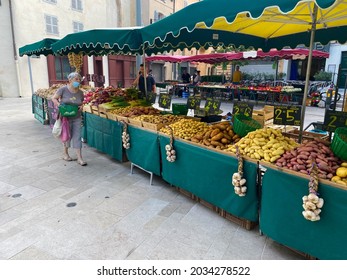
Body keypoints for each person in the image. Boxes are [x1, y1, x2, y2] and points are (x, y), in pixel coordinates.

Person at [51, 72, 87, 166]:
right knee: (67, 135)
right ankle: (65, 153)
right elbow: (54, 98)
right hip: (65, 118)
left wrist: (81, 106)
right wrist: (59, 106)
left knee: (77, 136)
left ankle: (80, 158)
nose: (78, 81)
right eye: (76, 79)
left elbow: (82, 102)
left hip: (77, 117)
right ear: (70, 80)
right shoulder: (63, 89)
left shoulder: (80, 92)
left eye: (79, 79)